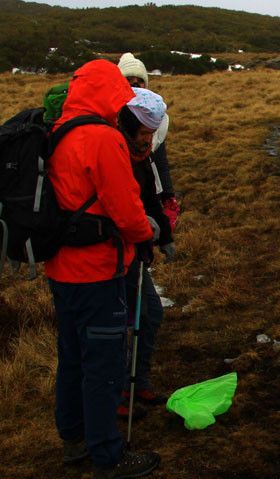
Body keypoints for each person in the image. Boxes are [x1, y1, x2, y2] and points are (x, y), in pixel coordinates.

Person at [46, 59, 160, 479]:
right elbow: (127, 211)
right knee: (104, 363)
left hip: (62, 268)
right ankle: (108, 458)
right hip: (98, 270)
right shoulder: (102, 138)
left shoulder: (59, 132)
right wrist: (148, 229)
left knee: (73, 356)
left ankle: (73, 439)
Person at [115, 87, 175, 419]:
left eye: (151, 134)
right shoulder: (113, 154)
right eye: (142, 133)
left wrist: (163, 235)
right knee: (118, 327)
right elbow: (123, 210)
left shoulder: (142, 156)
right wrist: (145, 232)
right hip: (111, 256)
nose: (147, 140)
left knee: (149, 315)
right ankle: (119, 391)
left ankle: (137, 381)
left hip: (134, 252)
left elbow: (151, 196)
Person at [118, 53, 181, 227]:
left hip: (147, 186)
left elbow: (161, 161)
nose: (134, 84)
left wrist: (168, 196)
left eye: (139, 80)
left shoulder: (155, 115)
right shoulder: (110, 117)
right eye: (128, 79)